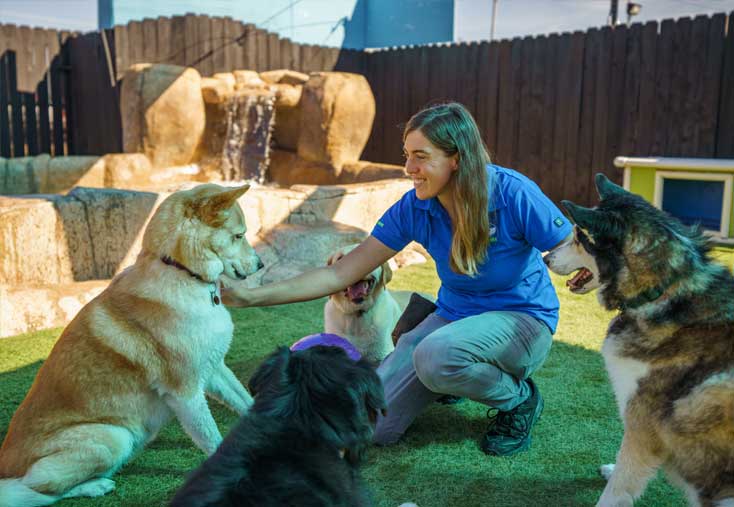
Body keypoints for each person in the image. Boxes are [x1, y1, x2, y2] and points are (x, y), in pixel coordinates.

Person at [223, 102, 572, 456]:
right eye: (406, 155)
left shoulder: (512, 192)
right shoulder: (415, 207)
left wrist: (600, 270)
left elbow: (572, 246)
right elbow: (341, 272)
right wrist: (251, 296)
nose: (409, 168)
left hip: (523, 323)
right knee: (372, 424)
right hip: (455, 318)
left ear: (457, 159)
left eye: (420, 156)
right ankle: (448, 374)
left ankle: (518, 399)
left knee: (437, 356)